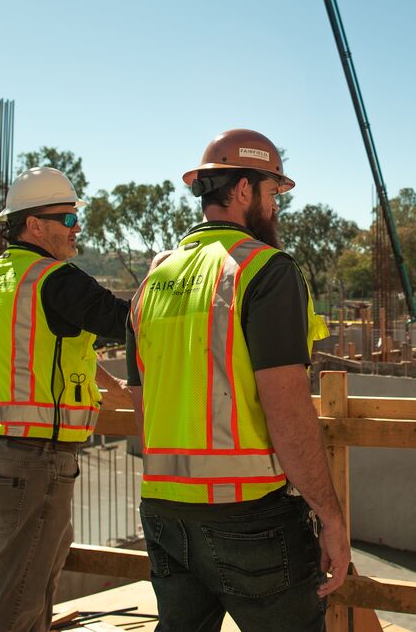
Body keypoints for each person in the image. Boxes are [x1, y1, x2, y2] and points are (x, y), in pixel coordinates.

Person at [125, 129, 348, 632]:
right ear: (244, 190)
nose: (275, 208)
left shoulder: (153, 280)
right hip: (246, 514)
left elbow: (143, 405)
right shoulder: (266, 271)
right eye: (273, 194)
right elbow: (288, 411)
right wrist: (330, 517)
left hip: (163, 508)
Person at [0, 167, 130, 631]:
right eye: (66, 218)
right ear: (34, 226)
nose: (75, 228)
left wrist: (105, 379)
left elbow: (48, 345)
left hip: (0, 449)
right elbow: (129, 321)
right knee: (16, 599)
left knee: (28, 583)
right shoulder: (53, 279)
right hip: (34, 457)